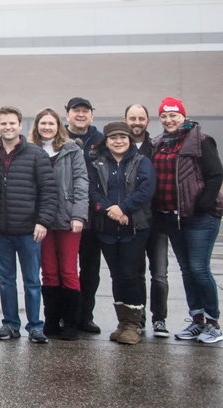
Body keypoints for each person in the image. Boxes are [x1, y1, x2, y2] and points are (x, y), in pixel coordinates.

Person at [150, 97, 223, 344]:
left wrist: (202, 204)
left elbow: (215, 175)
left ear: (183, 115)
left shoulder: (200, 141)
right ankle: (197, 320)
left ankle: (213, 322)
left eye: (174, 115)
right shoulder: (158, 143)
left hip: (200, 217)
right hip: (173, 218)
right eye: (164, 116)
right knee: (187, 270)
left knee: (200, 269)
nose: (169, 120)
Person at [0, 106, 58, 344]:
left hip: (29, 230)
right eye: (3, 123)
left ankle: (35, 326)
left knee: (31, 281)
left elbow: (49, 191)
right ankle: (10, 325)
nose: (8, 127)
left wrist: (43, 221)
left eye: (12, 123)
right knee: (6, 281)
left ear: (20, 125)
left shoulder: (36, 154)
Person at [88, 121, 154, 345]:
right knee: (116, 275)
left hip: (134, 228)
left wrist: (123, 208)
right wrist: (111, 210)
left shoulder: (141, 161)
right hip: (106, 228)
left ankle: (133, 325)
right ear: (106, 141)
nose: (118, 141)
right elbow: (93, 192)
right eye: (113, 137)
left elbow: (146, 190)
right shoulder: (97, 163)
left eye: (123, 137)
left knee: (130, 274)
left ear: (129, 140)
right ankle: (122, 322)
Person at [29, 107, 88, 341]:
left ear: (58, 126)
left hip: (68, 218)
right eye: (42, 123)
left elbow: (81, 183)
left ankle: (71, 322)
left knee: (68, 270)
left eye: (51, 123)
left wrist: (79, 215)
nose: (46, 127)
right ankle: (51, 321)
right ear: (36, 126)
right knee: (49, 272)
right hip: (42, 220)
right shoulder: (31, 151)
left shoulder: (72, 151)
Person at [124, 103, 167, 337]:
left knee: (159, 273)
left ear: (148, 121)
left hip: (158, 220)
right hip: (132, 222)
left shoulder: (159, 146)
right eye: (132, 118)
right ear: (125, 119)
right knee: (136, 272)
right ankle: (137, 319)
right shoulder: (118, 145)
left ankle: (159, 319)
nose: (136, 122)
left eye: (141, 118)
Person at [66, 96, 107, 334]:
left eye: (85, 111)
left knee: (90, 269)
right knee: (64, 269)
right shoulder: (58, 139)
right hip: (64, 214)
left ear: (92, 114)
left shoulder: (101, 140)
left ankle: (85, 315)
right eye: (75, 111)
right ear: (67, 114)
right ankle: (65, 314)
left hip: (94, 215)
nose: (80, 115)